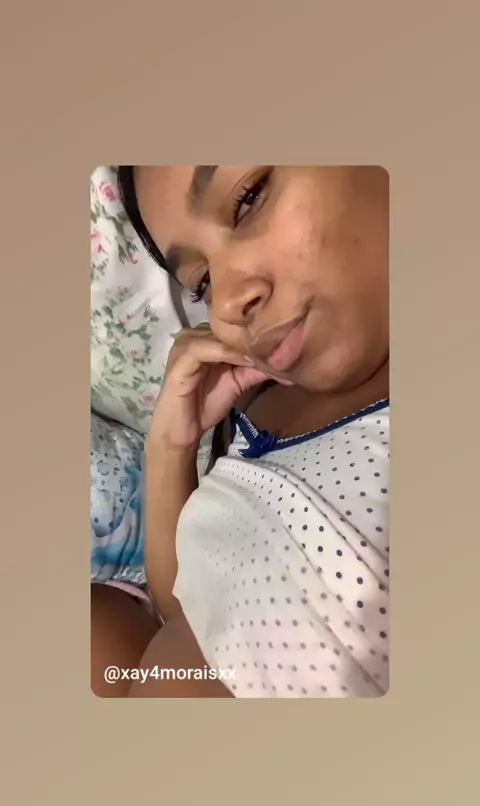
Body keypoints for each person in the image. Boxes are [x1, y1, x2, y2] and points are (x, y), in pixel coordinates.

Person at [91, 165, 389, 698]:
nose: (225, 303)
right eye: (201, 282)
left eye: (247, 198)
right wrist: (171, 444)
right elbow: (186, 602)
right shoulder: (259, 398)